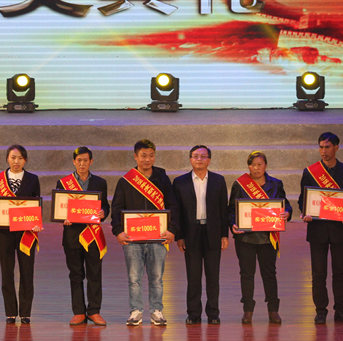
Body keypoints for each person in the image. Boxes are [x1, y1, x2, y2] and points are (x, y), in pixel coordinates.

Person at [111, 139, 179, 326]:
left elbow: (173, 206)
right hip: (132, 239)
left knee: (156, 278)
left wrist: (172, 230)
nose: (147, 159)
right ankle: (136, 311)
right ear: (135, 156)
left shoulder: (163, 179)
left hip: (158, 238)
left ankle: (157, 310)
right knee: (134, 278)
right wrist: (118, 232)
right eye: (143, 156)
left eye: (151, 155)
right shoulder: (126, 181)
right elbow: (116, 209)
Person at [298, 132, 343, 325]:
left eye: (327, 147)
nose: (323, 151)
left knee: (340, 272)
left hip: (339, 229)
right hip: (317, 230)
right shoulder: (310, 172)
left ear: (336, 148)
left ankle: (341, 310)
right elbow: (303, 200)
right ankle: (320, 311)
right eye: (320, 147)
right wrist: (305, 213)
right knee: (318, 273)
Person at [228, 151, 292, 324]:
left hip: (268, 237)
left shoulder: (276, 184)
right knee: (246, 274)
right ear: (248, 166)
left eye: (259, 164)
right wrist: (233, 224)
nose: (256, 168)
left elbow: (286, 205)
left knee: (269, 274)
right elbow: (231, 210)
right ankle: (248, 310)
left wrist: (287, 213)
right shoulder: (240, 184)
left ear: (265, 165)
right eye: (252, 165)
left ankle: (273, 310)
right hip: (245, 238)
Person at [173, 145, 228, 325]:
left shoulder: (218, 181)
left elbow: (223, 209)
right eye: (195, 156)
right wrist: (179, 236)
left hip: (212, 233)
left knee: (213, 277)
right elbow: (177, 212)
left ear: (209, 160)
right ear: (190, 159)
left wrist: (224, 235)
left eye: (203, 156)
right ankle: (193, 314)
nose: (199, 159)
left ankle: (213, 313)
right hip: (191, 234)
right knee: (193, 276)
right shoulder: (180, 182)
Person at [56, 147, 110, 326]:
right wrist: (62, 218)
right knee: (76, 274)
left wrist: (103, 212)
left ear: (91, 162)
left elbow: (105, 206)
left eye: (85, 160)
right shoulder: (63, 183)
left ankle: (94, 311)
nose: (82, 164)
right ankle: (79, 311)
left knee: (95, 274)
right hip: (72, 236)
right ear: (74, 162)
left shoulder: (100, 183)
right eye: (79, 160)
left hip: (92, 235)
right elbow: (59, 208)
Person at [0, 145, 42, 324]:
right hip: (4, 232)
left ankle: (25, 312)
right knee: (7, 271)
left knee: (27, 271)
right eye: (13, 157)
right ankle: (10, 312)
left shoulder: (33, 179)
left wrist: (37, 223)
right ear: (7, 159)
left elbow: (37, 204)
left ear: (25, 160)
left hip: (26, 232)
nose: (16, 161)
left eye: (20, 158)